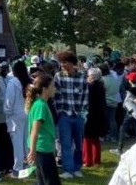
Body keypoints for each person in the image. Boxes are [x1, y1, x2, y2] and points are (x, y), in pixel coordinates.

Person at [53, 51, 88, 179]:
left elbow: (85, 96)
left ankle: (77, 167)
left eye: (65, 62)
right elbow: (55, 96)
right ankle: (68, 170)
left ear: (72, 63)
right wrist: (58, 112)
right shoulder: (58, 76)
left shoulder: (82, 76)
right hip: (64, 115)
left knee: (79, 144)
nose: (62, 64)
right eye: (61, 62)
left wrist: (83, 114)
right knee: (65, 143)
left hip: (79, 115)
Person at [26, 74, 60, 185]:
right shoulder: (41, 106)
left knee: (42, 181)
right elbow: (35, 130)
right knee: (50, 181)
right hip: (42, 149)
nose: (55, 88)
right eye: (52, 86)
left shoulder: (41, 103)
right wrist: (32, 150)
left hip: (44, 148)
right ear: (45, 89)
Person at [4, 60, 30, 177]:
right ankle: (30, 166)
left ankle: (18, 169)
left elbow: (9, 101)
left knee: (17, 142)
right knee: (27, 141)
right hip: (28, 113)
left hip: (15, 115)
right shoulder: (29, 81)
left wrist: (7, 112)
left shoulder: (13, 82)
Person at [83, 67, 107, 167]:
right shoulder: (101, 86)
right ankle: (96, 160)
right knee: (96, 139)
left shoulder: (89, 87)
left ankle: (87, 161)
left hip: (90, 114)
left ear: (92, 76)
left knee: (87, 138)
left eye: (88, 75)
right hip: (100, 114)